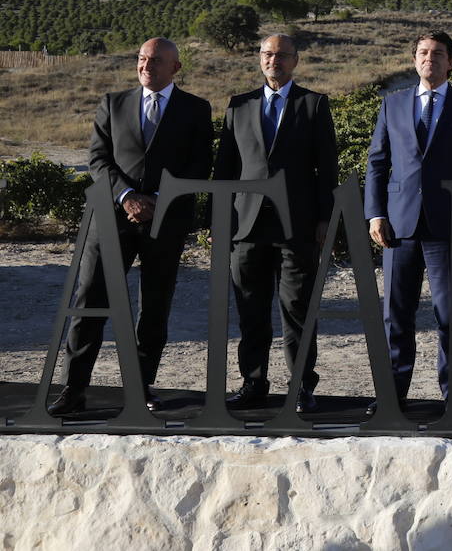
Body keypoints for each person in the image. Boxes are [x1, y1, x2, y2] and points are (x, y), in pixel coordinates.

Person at [46, 37, 213, 416]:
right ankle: (73, 389)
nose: (146, 66)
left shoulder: (196, 109)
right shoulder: (113, 103)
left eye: (155, 61)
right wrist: (128, 197)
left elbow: (200, 165)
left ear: (176, 68)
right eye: (141, 59)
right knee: (90, 300)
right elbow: (98, 160)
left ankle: (140, 387)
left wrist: (159, 199)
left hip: (165, 221)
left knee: (154, 305)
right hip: (111, 218)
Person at [365, 30, 452, 409]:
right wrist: (376, 213)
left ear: (451, 62)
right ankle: (391, 397)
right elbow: (377, 163)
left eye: (437, 54)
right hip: (399, 227)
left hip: (448, 226)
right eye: (423, 53)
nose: (429, 59)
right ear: (414, 59)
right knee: (395, 316)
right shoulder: (392, 105)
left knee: (451, 316)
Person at [213, 34, 339, 414]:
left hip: (296, 225)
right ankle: (253, 382)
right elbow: (225, 168)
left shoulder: (314, 104)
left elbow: (326, 167)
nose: (274, 60)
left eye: (282, 55)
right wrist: (219, 221)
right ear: (260, 59)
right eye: (267, 54)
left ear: (295, 60)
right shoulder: (239, 105)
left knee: (297, 310)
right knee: (250, 309)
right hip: (246, 225)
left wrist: (323, 219)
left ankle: (302, 385)